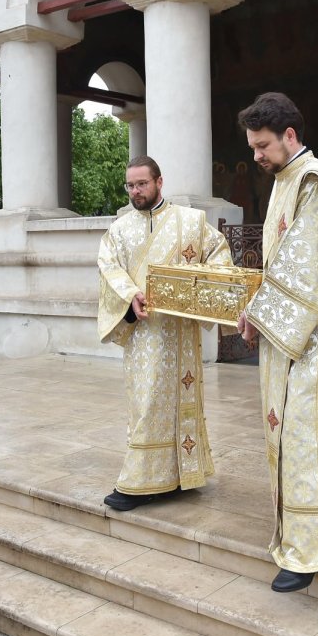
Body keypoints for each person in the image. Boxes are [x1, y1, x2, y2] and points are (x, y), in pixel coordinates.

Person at [236, 93, 318, 593]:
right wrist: (256, 306)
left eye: (263, 146)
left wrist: (261, 316)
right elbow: (282, 263)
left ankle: (308, 550)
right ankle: (317, 530)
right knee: (296, 438)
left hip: (312, 342)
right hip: (290, 336)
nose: (257, 157)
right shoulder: (287, 179)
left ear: (289, 135)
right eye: (252, 148)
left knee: (305, 438)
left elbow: (311, 269)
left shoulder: (314, 181)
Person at [97, 156, 231, 511]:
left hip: (181, 331)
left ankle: (176, 476)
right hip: (143, 332)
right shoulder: (119, 229)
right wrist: (130, 295)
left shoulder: (191, 222)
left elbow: (219, 256)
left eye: (142, 183)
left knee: (176, 402)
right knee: (147, 402)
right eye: (130, 185)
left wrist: (201, 287)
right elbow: (108, 266)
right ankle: (143, 479)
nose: (135, 191)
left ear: (159, 182)